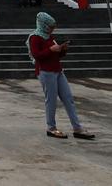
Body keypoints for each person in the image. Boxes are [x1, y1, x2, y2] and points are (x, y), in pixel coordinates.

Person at [27, 12, 95, 140]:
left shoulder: (49, 37)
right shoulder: (35, 37)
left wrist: (62, 50)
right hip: (46, 71)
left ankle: (77, 128)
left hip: (57, 70)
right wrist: (51, 50)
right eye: (50, 26)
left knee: (68, 98)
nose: (52, 29)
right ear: (44, 25)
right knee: (51, 100)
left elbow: (56, 55)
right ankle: (51, 127)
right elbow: (37, 55)